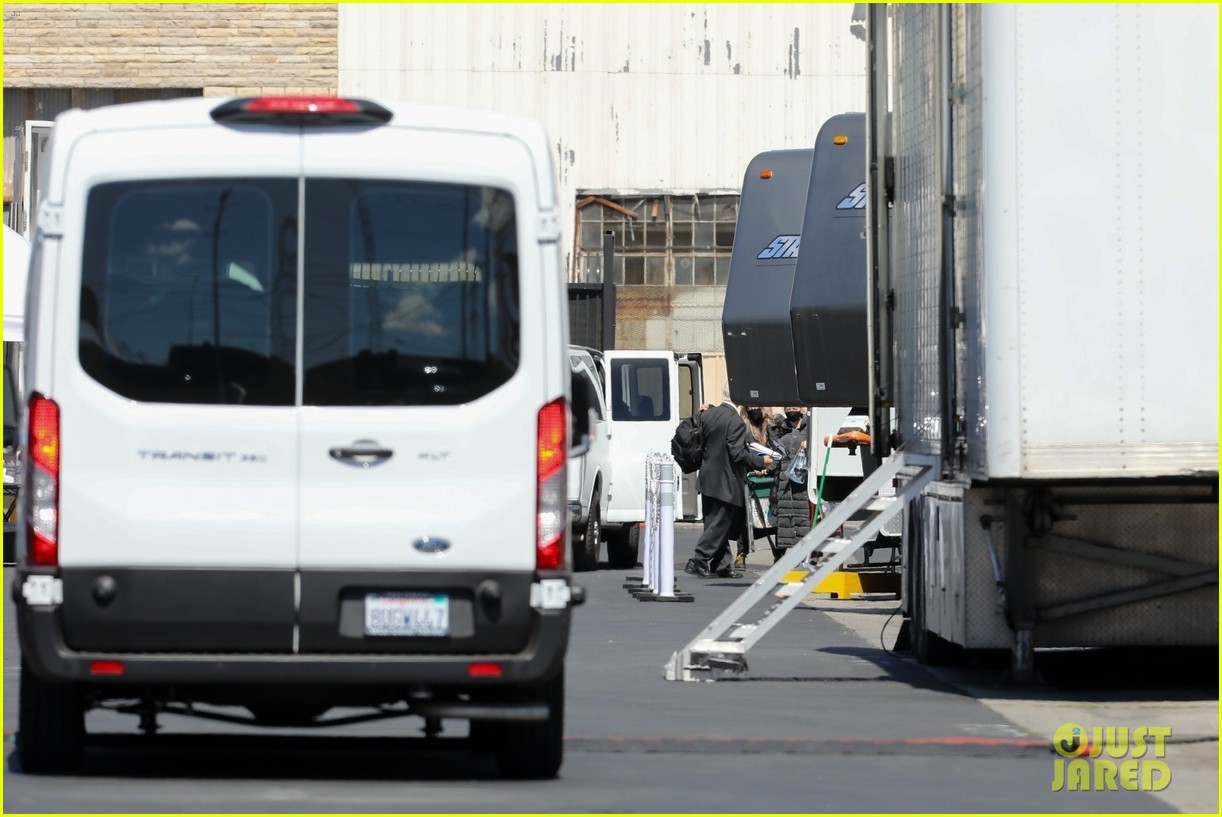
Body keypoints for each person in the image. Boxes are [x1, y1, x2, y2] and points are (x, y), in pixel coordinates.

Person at [686, 385, 773, 579]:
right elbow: (737, 453)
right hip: (725, 480)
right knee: (719, 525)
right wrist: (760, 461)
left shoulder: (709, 413)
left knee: (715, 522)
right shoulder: (734, 420)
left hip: (707, 477)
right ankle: (698, 560)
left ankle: (722, 565)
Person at [735, 405, 775, 568]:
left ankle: (778, 553)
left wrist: (769, 468)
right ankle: (741, 553)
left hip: (771, 475)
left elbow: (778, 449)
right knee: (745, 518)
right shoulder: (742, 426)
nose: (754, 408)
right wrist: (754, 468)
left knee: (773, 518)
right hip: (750, 475)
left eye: (757, 405)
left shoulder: (772, 425)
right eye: (750, 405)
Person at [770, 406, 811, 561]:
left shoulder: (812, 429)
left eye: (794, 405)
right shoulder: (780, 431)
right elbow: (774, 460)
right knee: (785, 523)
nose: (790, 408)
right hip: (784, 487)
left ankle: (808, 557)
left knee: (804, 521)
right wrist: (763, 465)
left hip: (804, 488)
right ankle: (781, 561)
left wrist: (811, 446)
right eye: (787, 406)